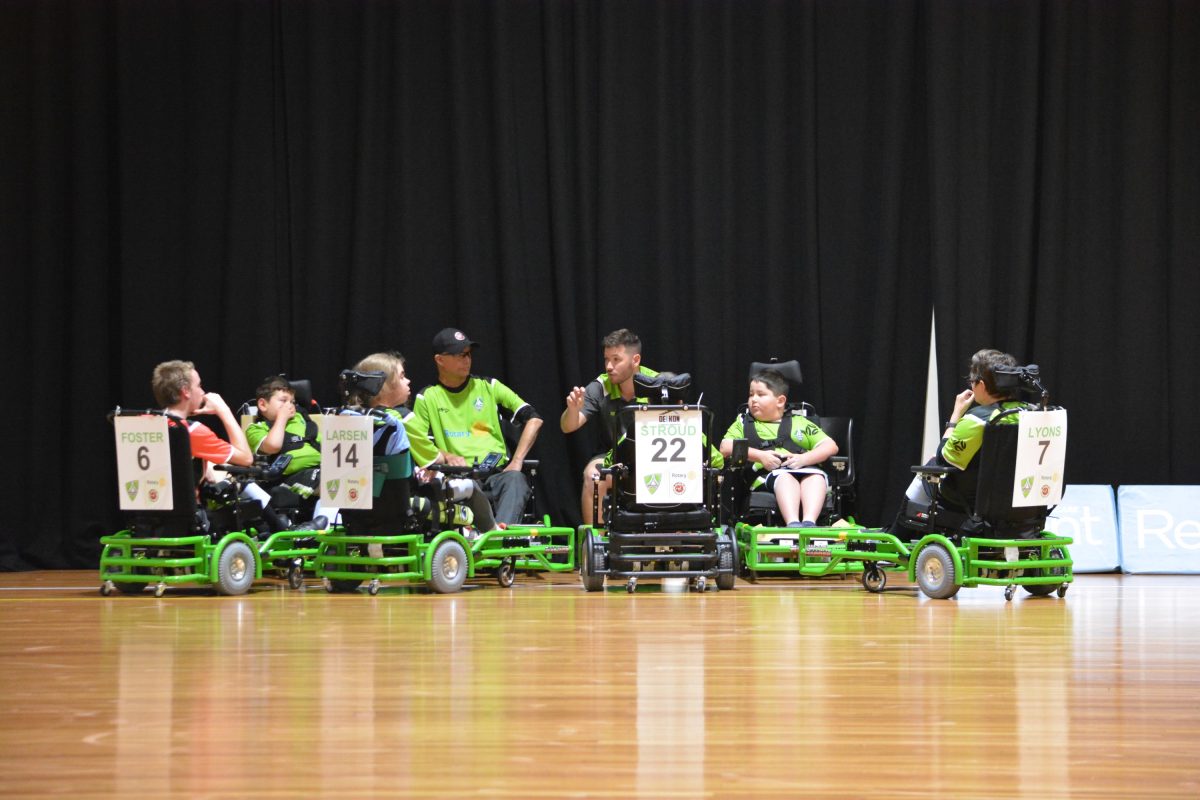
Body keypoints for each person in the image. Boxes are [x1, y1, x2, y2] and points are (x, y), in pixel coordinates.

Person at [408, 329, 540, 525]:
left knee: (515, 479)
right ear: (440, 360)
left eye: (469, 354)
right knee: (461, 486)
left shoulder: (489, 386)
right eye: (460, 355)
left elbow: (534, 419)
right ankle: (489, 537)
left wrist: (517, 461)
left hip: (496, 474)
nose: (467, 359)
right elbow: (422, 447)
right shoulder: (427, 397)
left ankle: (497, 540)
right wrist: (447, 456)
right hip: (458, 478)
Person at [891, 348, 1027, 534]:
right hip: (1021, 501)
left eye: (972, 381)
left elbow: (942, 459)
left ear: (982, 385)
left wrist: (956, 415)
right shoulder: (1031, 414)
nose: (971, 386)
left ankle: (897, 534)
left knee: (930, 466)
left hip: (970, 503)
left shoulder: (976, 420)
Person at [560, 328, 659, 524]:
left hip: (655, 459)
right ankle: (596, 543)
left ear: (635, 360)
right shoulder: (601, 386)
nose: (609, 366)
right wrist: (572, 409)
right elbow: (568, 427)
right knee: (592, 476)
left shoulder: (658, 385)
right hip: (612, 458)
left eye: (616, 359)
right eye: (606, 359)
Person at [719, 368, 838, 527]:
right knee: (785, 478)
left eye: (760, 395)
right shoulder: (743, 423)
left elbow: (830, 446)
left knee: (816, 477)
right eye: (751, 394)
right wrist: (760, 456)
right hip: (765, 475)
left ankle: (809, 523)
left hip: (802, 468)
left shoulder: (799, 422)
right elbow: (725, 447)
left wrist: (804, 459)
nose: (753, 399)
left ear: (780, 401)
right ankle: (793, 524)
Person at [151, 360, 254, 480]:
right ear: (186, 391)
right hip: (188, 499)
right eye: (199, 386)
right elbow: (246, 458)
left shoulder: (143, 423)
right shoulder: (192, 431)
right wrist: (224, 411)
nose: (202, 392)